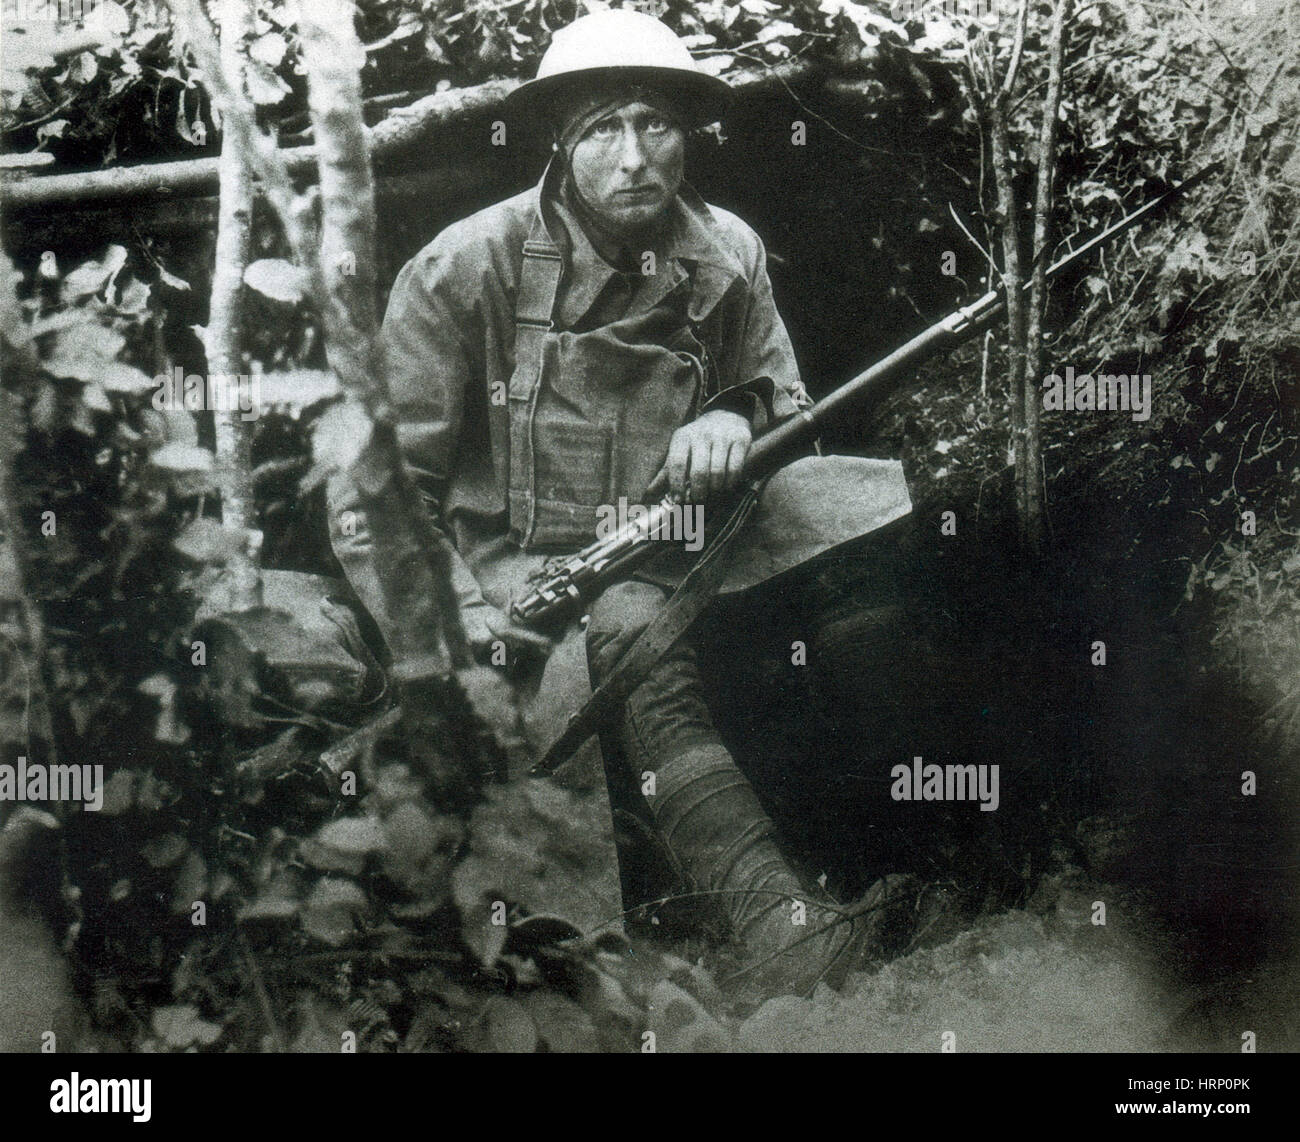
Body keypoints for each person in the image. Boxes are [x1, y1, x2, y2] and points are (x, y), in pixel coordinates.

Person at [329, 9, 916, 995]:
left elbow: (794, 412)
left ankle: (932, 839)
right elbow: (373, 500)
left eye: (656, 124)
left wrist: (734, 413)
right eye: (603, 127)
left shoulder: (727, 249)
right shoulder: (465, 267)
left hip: (697, 542)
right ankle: (778, 923)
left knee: (865, 507)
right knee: (633, 626)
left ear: (689, 133)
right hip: (521, 580)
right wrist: (459, 630)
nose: (635, 157)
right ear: (560, 137)